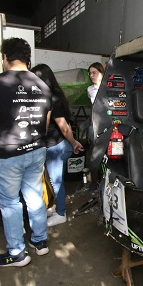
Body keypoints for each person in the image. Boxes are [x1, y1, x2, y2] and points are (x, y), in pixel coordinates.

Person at [0, 38, 52, 267]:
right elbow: (44, 125)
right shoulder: (43, 85)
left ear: (5, 57)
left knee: (10, 203)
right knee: (34, 197)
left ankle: (17, 252)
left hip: (8, 154)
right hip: (36, 150)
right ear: (28, 58)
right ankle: (40, 242)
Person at [31, 64, 84, 226]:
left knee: (56, 181)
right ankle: (58, 207)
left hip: (56, 146)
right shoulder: (51, 97)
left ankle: (61, 213)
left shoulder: (52, 99)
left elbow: (64, 127)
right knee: (53, 179)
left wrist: (74, 143)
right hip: (56, 146)